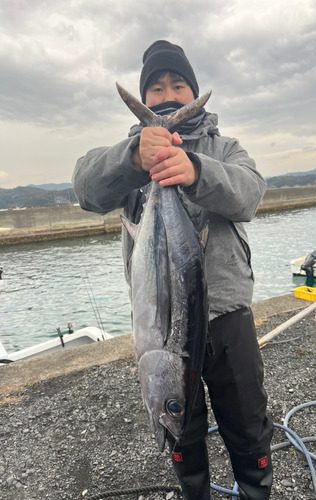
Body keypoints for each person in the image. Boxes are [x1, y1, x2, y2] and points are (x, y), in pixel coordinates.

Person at [72, 40, 273, 500]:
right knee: (181, 427)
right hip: (160, 321)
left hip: (227, 316)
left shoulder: (226, 148)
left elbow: (250, 194)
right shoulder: (132, 157)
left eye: (178, 84)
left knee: (247, 420)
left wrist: (196, 170)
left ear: (193, 92)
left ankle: (256, 492)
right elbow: (84, 188)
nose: (167, 95)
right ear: (144, 99)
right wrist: (134, 159)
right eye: (156, 87)